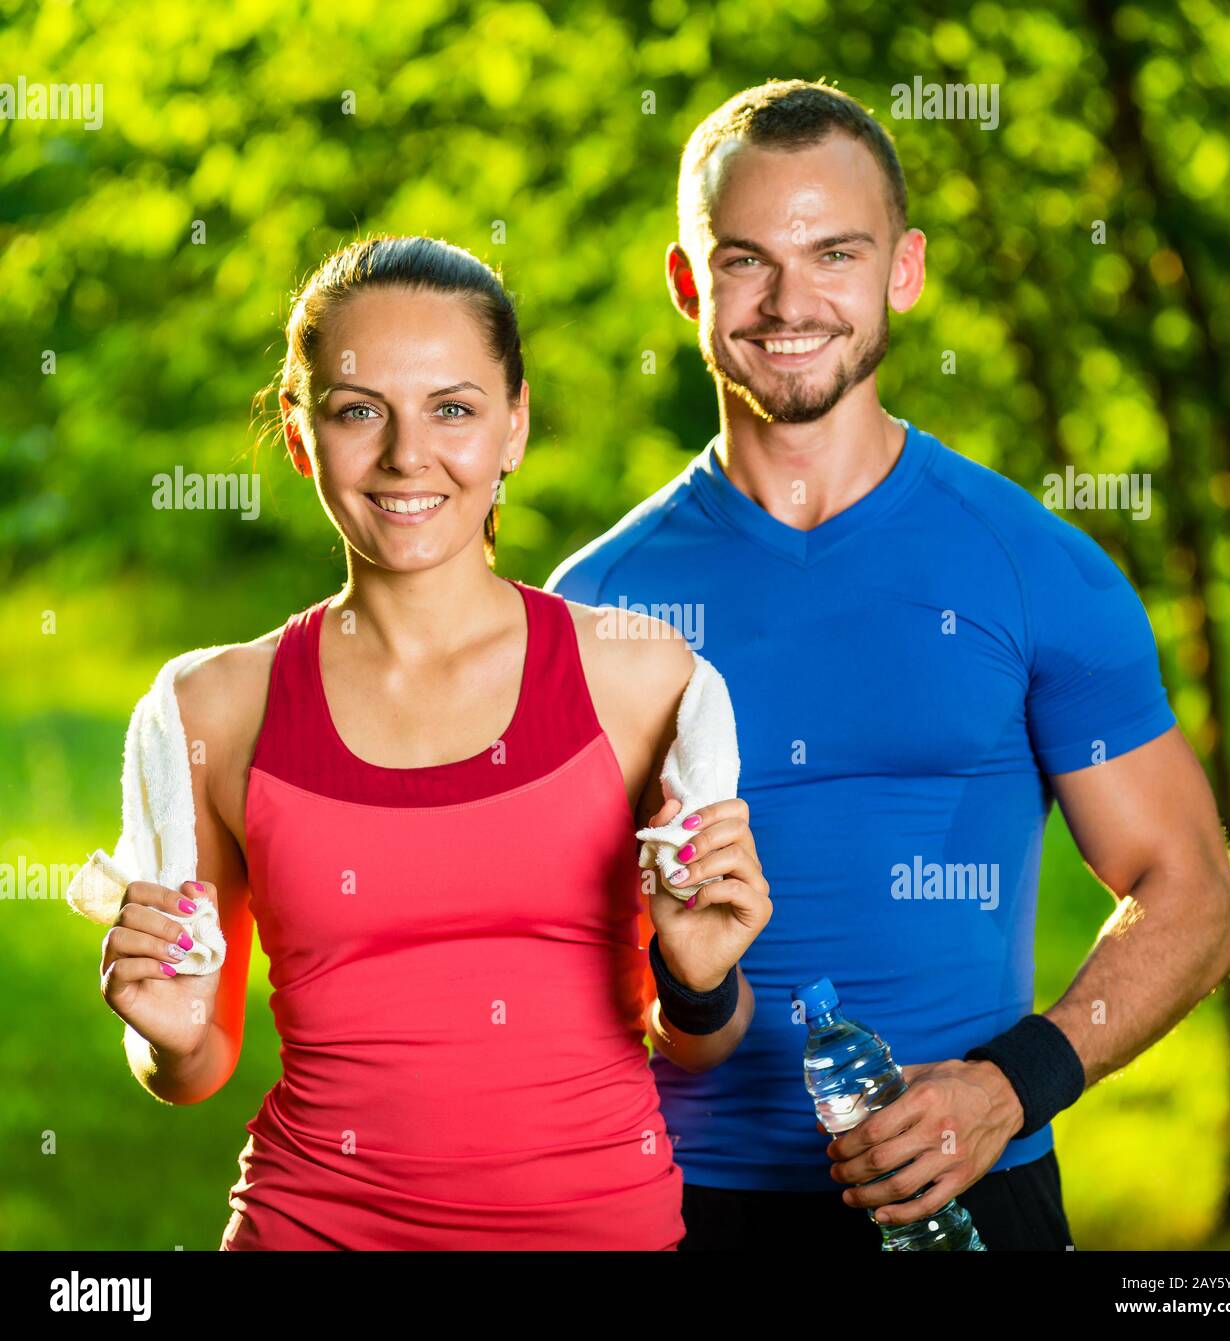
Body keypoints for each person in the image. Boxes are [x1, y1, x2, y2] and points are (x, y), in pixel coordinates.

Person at [546, 79, 1230, 1250]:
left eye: (834, 253)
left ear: (902, 272)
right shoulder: (593, 604)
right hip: (669, 1207)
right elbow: (545, 952)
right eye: (745, 261)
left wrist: (1010, 1085)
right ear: (686, 284)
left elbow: (1194, 891)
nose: (788, 302)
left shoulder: (1033, 567)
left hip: (973, 1192)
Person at [96, 235, 772, 1251]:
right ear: (300, 433)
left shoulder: (640, 681)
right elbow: (194, 1066)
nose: (408, 455)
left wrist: (699, 975)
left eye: (452, 408)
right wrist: (165, 1034)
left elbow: (700, 1040)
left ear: (514, 425)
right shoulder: (212, 708)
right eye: (359, 410)